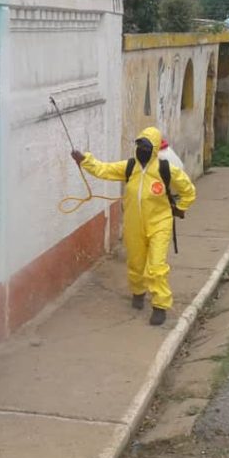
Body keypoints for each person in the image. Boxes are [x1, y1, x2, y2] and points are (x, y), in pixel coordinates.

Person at [71, 127, 196, 325]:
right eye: (140, 145)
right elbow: (104, 169)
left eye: (147, 147)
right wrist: (85, 160)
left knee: (156, 266)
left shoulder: (166, 169)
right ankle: (138, 292)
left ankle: (160, 305)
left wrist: (181, 207)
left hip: (160, 223)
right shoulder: (129, 167)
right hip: (134, 224)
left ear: (154, 149)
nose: (142, 150)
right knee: (136, 263)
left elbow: (188, 189)